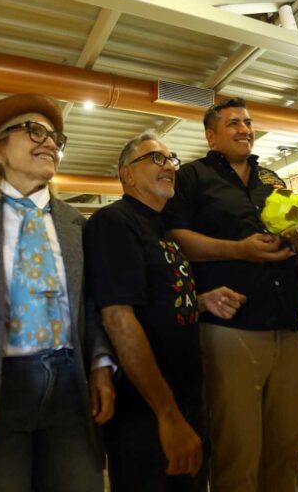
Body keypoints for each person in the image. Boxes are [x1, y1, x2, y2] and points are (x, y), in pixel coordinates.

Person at [0, 93, 116, 491]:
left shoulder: (75, 223)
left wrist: (100, 363)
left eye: (56, 138)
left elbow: (91, 300)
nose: (51, 142)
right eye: (35, 131)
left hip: (71, 385)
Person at [84, 133, 246, 492]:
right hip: (145, 410)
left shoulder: (162, 229)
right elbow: (118, 318)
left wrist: (198, 300)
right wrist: (167, 415)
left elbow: (153, 300)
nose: (170, 166)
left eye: (171, 158)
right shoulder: (114, 222)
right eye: (156, 158)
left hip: (186, 397)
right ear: (127, 174)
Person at [163, 97, 298, 492]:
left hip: (286, 323)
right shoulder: (192, 177)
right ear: (211, 136)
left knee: (287, 443)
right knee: (238, 447)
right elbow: (175, 238)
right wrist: (239, 250)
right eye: (233, 123)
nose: (245, 129)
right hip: (231, 328)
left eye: (247, 122)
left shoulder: (271, 179)